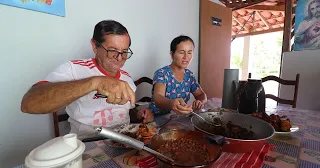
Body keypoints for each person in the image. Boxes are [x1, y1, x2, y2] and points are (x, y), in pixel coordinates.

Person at [21, 20, 153, 139]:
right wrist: (95, 82)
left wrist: (140, 114)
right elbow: (29, 104)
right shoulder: (74, 69)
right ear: (95, 46)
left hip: (123, 140)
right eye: (112, 50)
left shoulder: (126, 78)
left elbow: (124, 112)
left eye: (124, 52)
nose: (119, 58)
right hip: (87, 144)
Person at [149, 35, 207, 115]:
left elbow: (201, 94)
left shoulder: (189, 75)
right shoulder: (162, 73)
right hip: (157, 118)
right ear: (172, 54)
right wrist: (172, 103)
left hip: (178, 118)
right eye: (181, 52)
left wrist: (200, 102)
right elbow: (158, 97)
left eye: (189, 52)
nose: (186, 57)